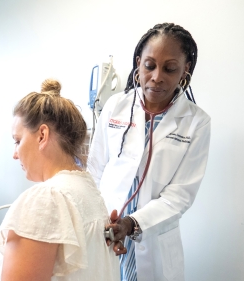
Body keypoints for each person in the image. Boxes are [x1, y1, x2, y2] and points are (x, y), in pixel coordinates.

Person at [87, 23, 211, 281]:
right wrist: (99, 224)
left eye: (170, 68)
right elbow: (95, 171)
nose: (157, 76)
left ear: (185, 70)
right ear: (138, 63)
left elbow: (180, 196)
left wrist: (131, 224)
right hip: (105, 234)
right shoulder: (115, 106)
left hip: (153, 241)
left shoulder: (196, 122)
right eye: (149, 65)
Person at [0, 79, 120, 281]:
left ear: (42, 135)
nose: (15, 154)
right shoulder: (89, 192)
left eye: (17, 141)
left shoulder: (45, 199)